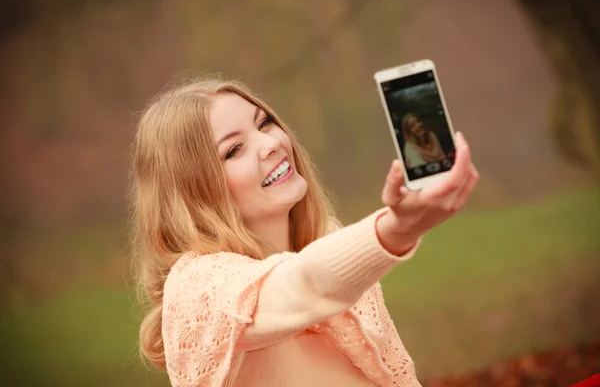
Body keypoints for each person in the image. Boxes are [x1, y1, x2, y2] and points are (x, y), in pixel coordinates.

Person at [129, 78, 479, 387]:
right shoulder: (195, 287)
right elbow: (300, 287)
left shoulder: (326, 241)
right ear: (195, 193)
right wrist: (397, 229)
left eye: (264, 123)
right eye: (234, 150)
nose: (270, 144)